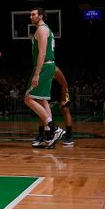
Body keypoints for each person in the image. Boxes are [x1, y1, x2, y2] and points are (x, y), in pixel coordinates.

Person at [24, 8, 65, 147]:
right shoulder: (46, 29)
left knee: (28, 98)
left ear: (41, 16)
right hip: (49, 66)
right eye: (30, 14)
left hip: (44, 66)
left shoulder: (41, 30)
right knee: (43, 101)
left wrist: (37, 73)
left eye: (33, 14)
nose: (31, 16)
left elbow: (42, 52)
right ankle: (49, 136)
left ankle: (54, 128)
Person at [33, 66, 74, 148]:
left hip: (61, 89)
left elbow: (64, 84)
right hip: (48, 90)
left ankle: (69, 135)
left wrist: (63, 99)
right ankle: (42, 135)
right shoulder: (39, 70)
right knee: (42, 108)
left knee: (65, 108)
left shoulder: (55, 69)